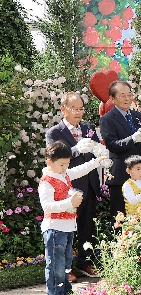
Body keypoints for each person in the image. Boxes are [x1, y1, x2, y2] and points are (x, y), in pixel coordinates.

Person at [38, 141, 107, 295]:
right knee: (56, 265)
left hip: (68, 227)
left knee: (67, 262)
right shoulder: (47, 181)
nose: (65, 167)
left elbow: (80, 170)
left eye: (67, 164)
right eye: (62, 164)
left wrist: (96, 161)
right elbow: (47, 206)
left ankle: (65, 293)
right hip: (54, 228)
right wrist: (70, 202)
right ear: (49, 162)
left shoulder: (64, 174)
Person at [45, 92, 100, 278]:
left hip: (89, 183)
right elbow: (55, 157)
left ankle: (85, 262)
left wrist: (101, 153)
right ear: (63, 109)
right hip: (67, 186)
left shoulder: (88, 128)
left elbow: (97, 149)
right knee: (65, 229)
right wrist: (76, 150)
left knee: (87, 226)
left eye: (81, 109)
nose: (78, 112)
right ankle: (64, 269)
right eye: (74, 108)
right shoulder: (54, 132)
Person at [99, 80, 141, 218]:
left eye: (129, 95)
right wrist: (132, 139)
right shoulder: (107, 119)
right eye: (123, 95)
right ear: (112, 98)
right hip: (122, 173)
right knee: (120, 217)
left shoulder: (139, 116)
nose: (127, 98)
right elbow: (112, 144)